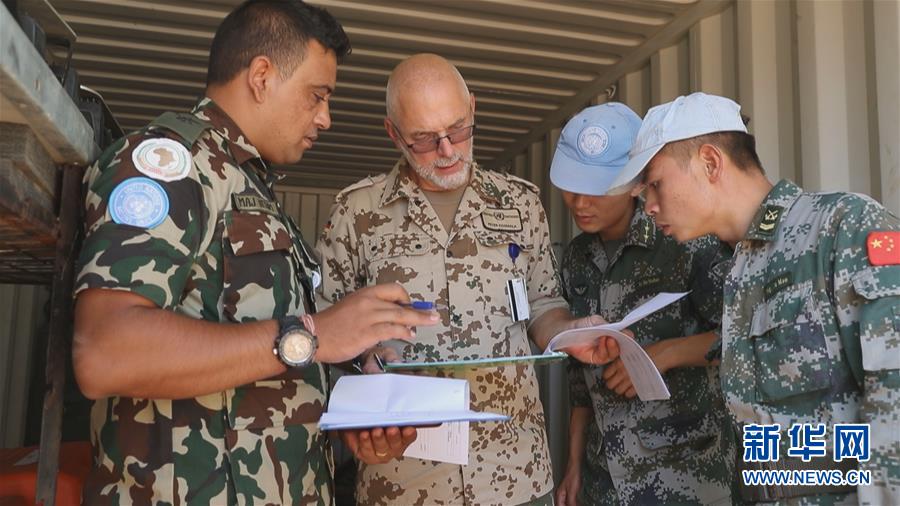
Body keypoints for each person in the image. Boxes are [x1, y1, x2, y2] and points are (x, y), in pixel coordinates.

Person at [71, 2, 440, 503]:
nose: (325, 118)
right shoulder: (171, 167)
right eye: (317, 95)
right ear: (262, 76)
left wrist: (356, 409)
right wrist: (312, 336)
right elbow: (105, 351)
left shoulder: (248, 187)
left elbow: (259, 369)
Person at [315, 53, 615, 506]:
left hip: (514, 471)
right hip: (403, 480)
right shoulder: (356, 212)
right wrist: (361, 372)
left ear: (473, 107)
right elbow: (322, 335)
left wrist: (567, 332)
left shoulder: (521, 203)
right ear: (393, 133)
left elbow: (543, 304)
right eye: (424, 139)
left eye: (457, 129)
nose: (448, 149)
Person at [607, 91, 900, 504]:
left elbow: (893, 393)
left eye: (655, 184)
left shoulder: (843, 228)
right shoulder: (736, 267)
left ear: (710, 162)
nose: (649, 207)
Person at [549, 103, 736, 506]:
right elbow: (580, 383)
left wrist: (663, 354)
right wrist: (574, 465)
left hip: (686, 473)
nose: (579, 201)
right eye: (571, 185)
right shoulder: (576, 258)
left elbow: (738, 335)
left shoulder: (686, 239)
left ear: (633, 182)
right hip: (606, 477)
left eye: (595, 188)